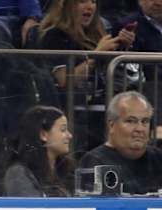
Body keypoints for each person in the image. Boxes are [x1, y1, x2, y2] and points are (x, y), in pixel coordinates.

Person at [38, 0, 135, 152]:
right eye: (82, 1)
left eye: (94, 2)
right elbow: (64, 80)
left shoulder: (97, 34)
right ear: (66, 5)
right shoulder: (55, 35)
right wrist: (96, 54)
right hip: (75, 113)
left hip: (103, 109)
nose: (90, 6)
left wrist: (122, 47)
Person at [79, 91, 162, 195]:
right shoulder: (95, 162)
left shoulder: (158, 158)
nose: (140, 129)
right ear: (111, 125)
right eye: (131, 121)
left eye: (145, 121)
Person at [4, 105, 74, 196]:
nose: (70, 136)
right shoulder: (18, 173)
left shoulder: (64, 172)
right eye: (63, 130)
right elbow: (30, 209)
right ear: (43, 134)